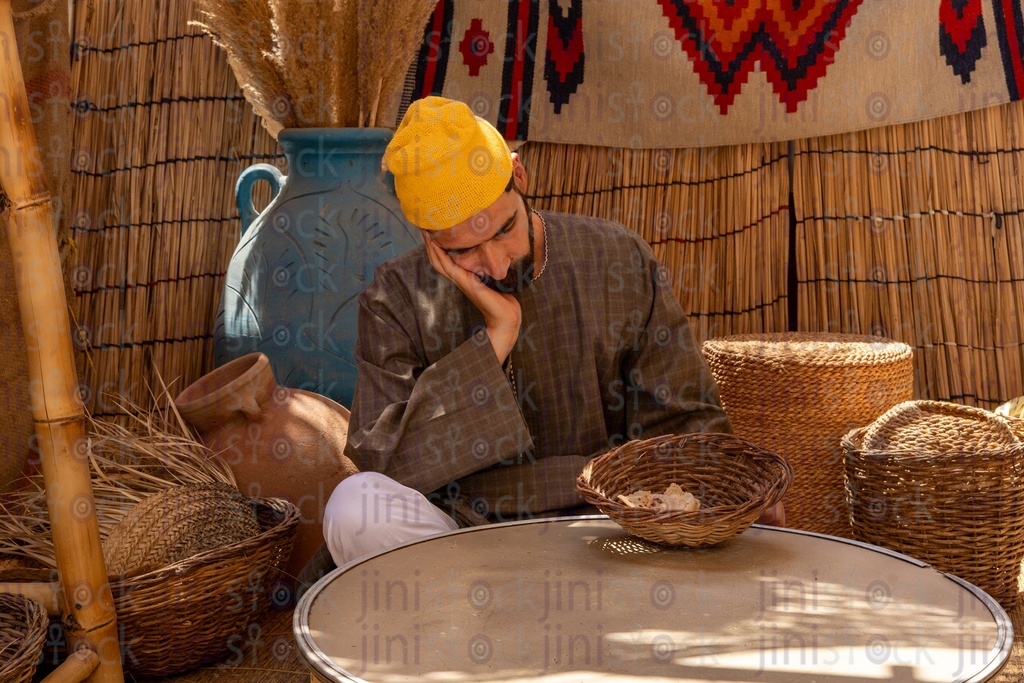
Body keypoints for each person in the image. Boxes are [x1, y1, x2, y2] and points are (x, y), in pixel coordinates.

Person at [321, 96, 742, 567]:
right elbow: (386, 462)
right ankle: (471, 608)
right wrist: (496, 338)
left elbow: (683, 416)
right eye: (464, 251)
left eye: (504, 230)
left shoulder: (617, 257)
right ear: (428, 237)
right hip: (461, 533)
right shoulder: (395, 296)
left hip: (602, 521)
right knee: (355, 507)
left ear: (519, 175)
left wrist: (723, 483)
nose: (497, 265)